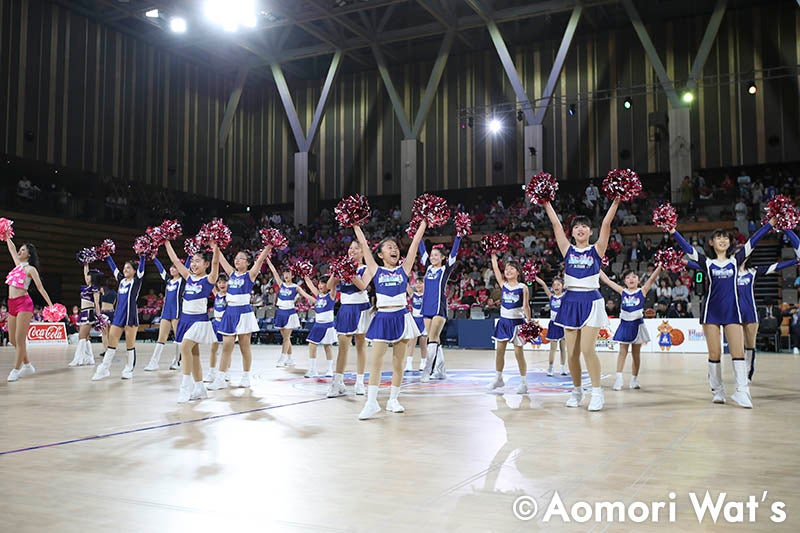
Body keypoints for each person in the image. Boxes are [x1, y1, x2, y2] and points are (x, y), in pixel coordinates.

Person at [671, 217, 775, 408]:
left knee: (738, 352)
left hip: (732, 312)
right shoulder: (707, 263)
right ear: (711, 243)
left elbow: (754, 240)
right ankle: (717, 390)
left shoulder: (736, 261)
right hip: (711, 312)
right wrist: (672, 231)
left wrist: (771, 224)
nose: (722, 240)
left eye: (725, 237)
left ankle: (742, 391)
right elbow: (687, 249)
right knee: (715, 353)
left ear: (729, 242)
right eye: (718, 237)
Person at [690, 230, 800, 383]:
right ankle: (718, 378)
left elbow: (776, 266)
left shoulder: (752, 272)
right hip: (732, 311)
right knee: (731, 348)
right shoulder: (726, 269)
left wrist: (795, 261)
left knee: (749, 346)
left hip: (749, 312)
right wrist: (678, 261)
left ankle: (747, 374)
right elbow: (695, 263)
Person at [544, 196, 619, 411]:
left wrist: (615, 201)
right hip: (570, 301)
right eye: (576, 226)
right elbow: (556, 225)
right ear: (573, 232)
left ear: (590, 232)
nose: (580, 229)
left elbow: (606, 224)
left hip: (591, 300)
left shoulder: (597, 250)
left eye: (584, 226)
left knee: (588, 349)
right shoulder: (567, 249)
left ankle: (597, 392)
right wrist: (547, 203)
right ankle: (577, 391)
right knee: (572, 354)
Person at [353, 219, 426, 420]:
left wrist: (424, 223)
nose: (394, 249)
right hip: (383, 316)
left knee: (398, 363)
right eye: (389, 247)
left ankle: (393, 399)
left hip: (402, 316)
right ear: (380, 254)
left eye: (395, 247)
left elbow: (413, 245)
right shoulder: (376, 269)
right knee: (375, 361)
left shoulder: (404, 269)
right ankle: (371, 402)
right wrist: (355, 225)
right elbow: (364, 246)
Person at [163, 239, 220, 403]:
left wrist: (215, 247)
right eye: (193, 261)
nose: (194, 264)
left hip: (198, 320)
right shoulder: (188, 277)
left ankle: (185, 387)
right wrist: (166, 242)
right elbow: (175, 260)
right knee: (194, 355)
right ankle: (200, 388)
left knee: (185, 347)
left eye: (198, 261)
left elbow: (216, 262)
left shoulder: (208, 280)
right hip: (185, 319)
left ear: (205, 264)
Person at [208, 246, 272, 389]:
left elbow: (260, 260)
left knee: (245, 347)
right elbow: (222, 260)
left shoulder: (250, 275)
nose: (237, 260)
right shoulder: (231, 274)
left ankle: (246, 376)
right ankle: (220, 377)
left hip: (244, 313)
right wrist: (215, 247)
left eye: (240, 258)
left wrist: (268, 246)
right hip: (230, 313)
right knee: (226, 346)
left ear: (248, 262)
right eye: (236, 258)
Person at [600, 267, 661, 391]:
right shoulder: (622, 291)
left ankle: (634, 379)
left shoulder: (642, 291)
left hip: (637, 325)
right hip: (624, 324)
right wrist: (596, 266)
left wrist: (660, 266)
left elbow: (652, 278)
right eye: (628, 277)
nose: (631, 279)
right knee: (622, 351)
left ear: (638, 280)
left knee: (636, 354)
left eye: (634, 276)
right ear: (624, 281)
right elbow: (607, 280)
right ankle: (619, 378)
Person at [326, 240, 372, 398]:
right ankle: (337, 382)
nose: (352, 250)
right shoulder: (343, 268)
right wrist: (336, 271)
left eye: (356, 248)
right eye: (350, 248)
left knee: (361, 345)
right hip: (345, 307)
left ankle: (360, 381)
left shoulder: (367, 268)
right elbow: (327, 286)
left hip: (361, 307)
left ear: (362, 252)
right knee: (343, 346)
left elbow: (363, 286)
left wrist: (349, 272)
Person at [4, 239, 54, 381]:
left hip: (24, 304)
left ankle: (16, 369)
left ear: (29, 254)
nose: (20, 251)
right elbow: (12, 249)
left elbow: (40, 288)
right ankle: (27, 364)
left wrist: (50, 305)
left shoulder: (31, 270)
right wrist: (7, 236)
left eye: (23, 250)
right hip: (11, 304)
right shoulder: (18, 265)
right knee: (12, 339)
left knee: (20, 339)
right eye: (20, 249)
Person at [91, 251, 146, 381]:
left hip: (130, 316)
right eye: (125, 268)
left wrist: (142, 256)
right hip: (119, 315)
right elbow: (113, 267)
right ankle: (104, 368)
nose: (125, 270)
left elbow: (142, 268)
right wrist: (107, 254)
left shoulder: (137, 281)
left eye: (128, 268)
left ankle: (129, 369)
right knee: (111, 342)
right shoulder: (121, 281)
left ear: (134, 271)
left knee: (130, 344)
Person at [485, 253, 531, 394]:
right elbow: (496, 271)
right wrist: (493, 258)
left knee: (518, 353)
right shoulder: (503, 285)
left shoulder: (523, 287)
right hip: (503, 322)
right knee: (499, 351)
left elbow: (526, 306)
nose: (508, 271)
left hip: (517, 323)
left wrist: (529, 322)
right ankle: (498, 378)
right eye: (506, 269)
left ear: (518, 272)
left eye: (512, 269)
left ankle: (523, 383)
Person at [418, 235, 462, 382]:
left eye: (436, 255)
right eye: (432, 255)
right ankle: (441, 370)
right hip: (426, 305)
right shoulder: (428, 267)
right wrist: (417, 234)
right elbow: (421, 248)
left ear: (443, 257)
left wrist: (458, 237)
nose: (432, 257)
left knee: (432, 337)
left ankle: (427, 370)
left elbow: (454, 253)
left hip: (439, 306)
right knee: (434, 339)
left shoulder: (445, 269)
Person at [144, 256, 190, 371]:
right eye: (172, 267)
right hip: (166, 312)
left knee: (179, 337)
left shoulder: (183, 280)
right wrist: (154, 258)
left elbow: (187, 265)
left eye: (175, 267)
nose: (172, 269)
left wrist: (189, 254)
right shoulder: (169, 281)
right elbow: (161, 270)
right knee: (161, 337)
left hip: (177, 312)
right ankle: (153, 362)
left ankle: (178, 361)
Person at [266, 258, 305, 368]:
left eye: (289, 273)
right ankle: (290, 358)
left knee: (286, 338)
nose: (286, 275)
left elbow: (305, 295)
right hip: (280, 312)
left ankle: (282, 358)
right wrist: (268, 260)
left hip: (290, 313)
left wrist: (315, 300)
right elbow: (274, 272)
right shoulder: (281, 284)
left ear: (293, 276)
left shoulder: (296, 287)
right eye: (285, 273)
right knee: (285, 338)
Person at [301, 275, 337, 378]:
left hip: (328, 324)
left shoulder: (331, 295)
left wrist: (335, 273)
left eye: (323, 283)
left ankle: (329, 369)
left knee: (328, 347)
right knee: (312, 345)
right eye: (320, 283)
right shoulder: (318, 295)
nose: (320, 285)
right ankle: (312, 370)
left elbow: (333, 284)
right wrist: (305, 274)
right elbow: (309, 284)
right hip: (318, 324)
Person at [68, 265, 102, 367]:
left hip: (89, 313)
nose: (86, 278)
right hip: (82, 312)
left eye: (88, 276)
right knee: (85, 337)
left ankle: (78, 359)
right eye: (86, 276)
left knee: (81, 336)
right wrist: (85, 263)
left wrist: (99, 316)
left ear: (93, 278)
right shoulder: (86, 287)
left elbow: (96, 302)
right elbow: (85, 272)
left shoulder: (94, 288)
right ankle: (89, 358)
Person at [535, 276, 567, 376]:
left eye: (558, 284)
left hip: (563, 324)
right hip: (553, 324)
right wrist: (534, 276)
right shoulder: (551, 297)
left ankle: (562, 368)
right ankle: (550, 367)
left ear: (563, 286)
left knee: (563, 348)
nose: (556, 286)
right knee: (553, 348)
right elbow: (543, 284)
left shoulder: (566, 296)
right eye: (554, 285)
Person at [205, 274, 228, 386]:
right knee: (213, 348)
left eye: (224, 282)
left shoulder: (230, 295)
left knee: (226, 350)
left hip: (226, 323)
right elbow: (210, 280)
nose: (222, 284)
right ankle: (211, 372)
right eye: (219, 282)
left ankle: (226, 372)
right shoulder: (216, 294)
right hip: (216, 323)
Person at [405, 276, 428, 373]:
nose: (418, 285)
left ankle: (423, 362)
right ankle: (408, 363)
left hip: (423, 320)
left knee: (423, 343)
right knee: (411, 343)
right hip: (414, 320)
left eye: (420, 283)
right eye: (417, 283)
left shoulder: (427, 295)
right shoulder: (412, 294)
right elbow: (406, 285)